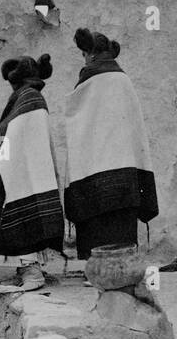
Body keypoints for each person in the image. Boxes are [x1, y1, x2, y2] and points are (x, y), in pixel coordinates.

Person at [63, 28, 158, 259]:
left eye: (84, 55)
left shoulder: (88, 80)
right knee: (121, 226)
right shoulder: (123, 79)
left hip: (93, 173)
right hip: (125, 170)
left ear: (90, 53)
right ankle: (122, 268)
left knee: (95, 221)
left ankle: (95, 270)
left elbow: (77, 121)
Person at [0, 54, 66, 289]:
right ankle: (27, 268)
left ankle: (32, 272)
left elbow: (9, 133)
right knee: (29, 214)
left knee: (19, 213)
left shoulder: (28, 98)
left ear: (16, 81)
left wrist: (1, 156)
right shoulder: (31, 97)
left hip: (21, 170)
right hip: (30, 169)